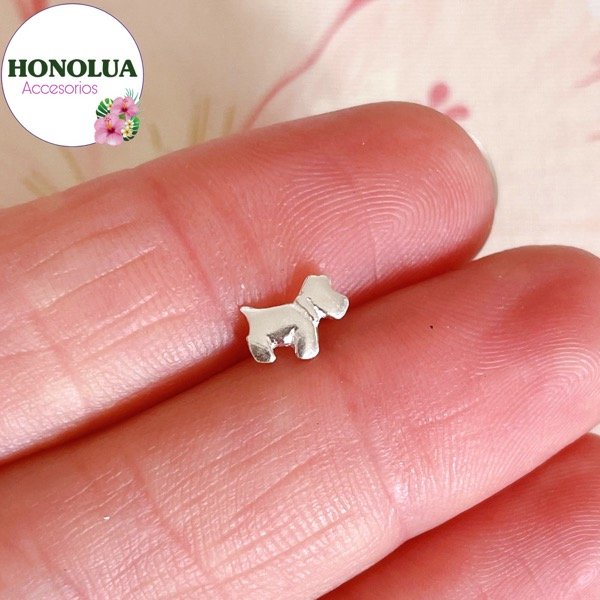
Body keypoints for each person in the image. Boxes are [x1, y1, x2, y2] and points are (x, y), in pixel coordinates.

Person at [0, 102, 598, 599]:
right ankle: (263, 345)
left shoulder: (310, 312)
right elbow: (306, 335)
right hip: (276, 334)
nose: (330, 306)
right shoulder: (305, 314)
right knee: (271, 334)